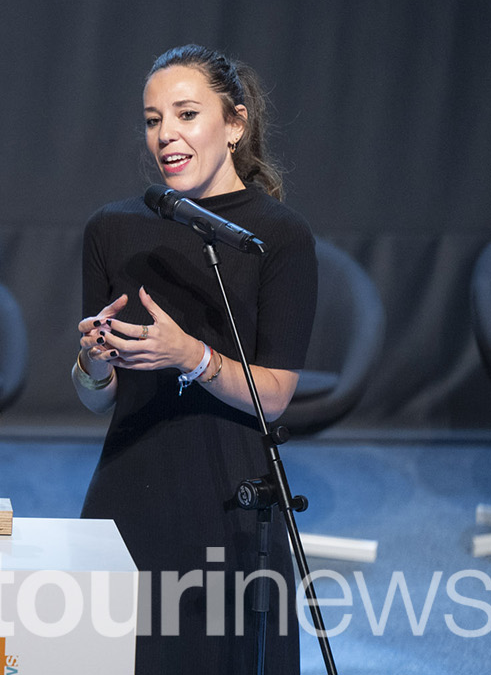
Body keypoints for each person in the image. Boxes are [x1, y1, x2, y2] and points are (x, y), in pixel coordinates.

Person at [72, 45, 316, 673]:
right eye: (153, 120)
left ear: (234, 124)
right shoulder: (112, 228)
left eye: (185, 114)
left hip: (230, 494)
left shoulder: (278, 236)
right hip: (132, 481)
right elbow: (97, 395)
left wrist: (190, 356)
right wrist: (95, 364)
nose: (166, 135)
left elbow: (278, 393)